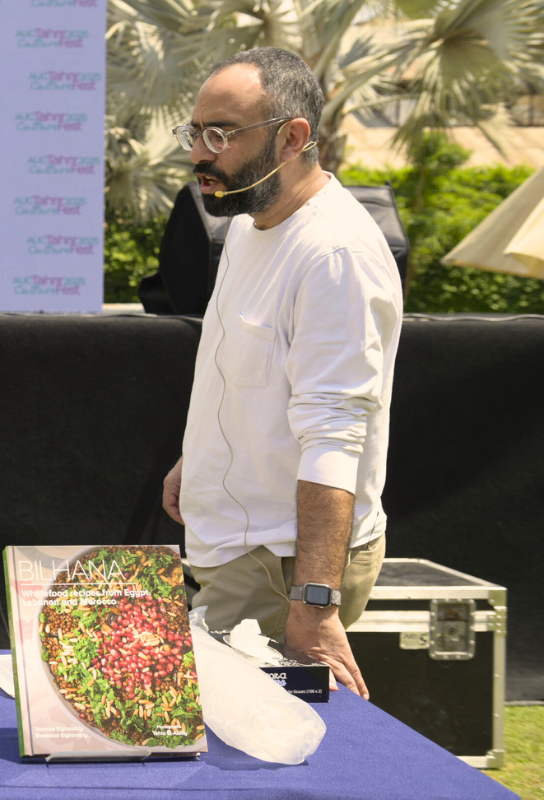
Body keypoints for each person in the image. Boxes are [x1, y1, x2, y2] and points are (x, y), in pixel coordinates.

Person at [160, 47, 401, 699]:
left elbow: (335, 438)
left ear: (294, 138)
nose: (199, 155)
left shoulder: (334, 255)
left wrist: (315, 604)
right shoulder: (247, 221)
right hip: (249, 548)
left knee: (233, 751)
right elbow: (239, 366)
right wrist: (201, 459)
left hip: (283, 562)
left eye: (221, 135)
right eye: (196, 132)